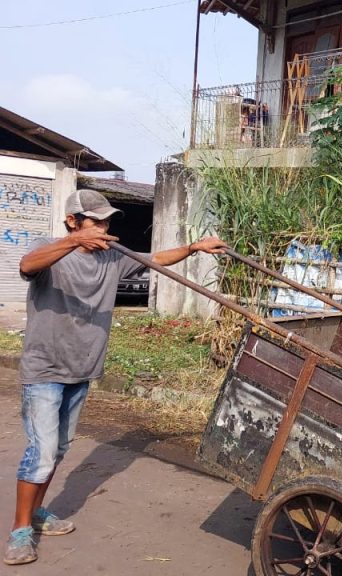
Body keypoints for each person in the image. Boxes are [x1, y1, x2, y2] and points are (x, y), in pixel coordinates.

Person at [5, 189, 227, 566]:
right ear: (73, 221)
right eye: (96, 221)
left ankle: (39, 512)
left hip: (82, 369)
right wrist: (73, 241)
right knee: (40, 452)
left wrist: (193, 247)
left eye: (106, 221)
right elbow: (27, 265)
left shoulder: (112, 258)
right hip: (45, 368)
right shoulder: (52, 249)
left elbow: (156, 259)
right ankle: (20, 531)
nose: (104, 229)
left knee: (57, 449)